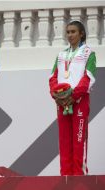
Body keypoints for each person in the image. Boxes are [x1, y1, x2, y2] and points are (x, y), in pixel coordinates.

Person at [49, 20, 96, 175]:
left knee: (78, 140)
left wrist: (73, 96)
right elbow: (53, 78)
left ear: (81, 34)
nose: (70, 35)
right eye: (68, 32)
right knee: (64, 141)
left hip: (79, 101)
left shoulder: (89, 53)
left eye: (73, 32)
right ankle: (65, 178)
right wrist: (56, 95)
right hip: (62, 102)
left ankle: (79, 178)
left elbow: (88, 78)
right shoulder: (61, 55)